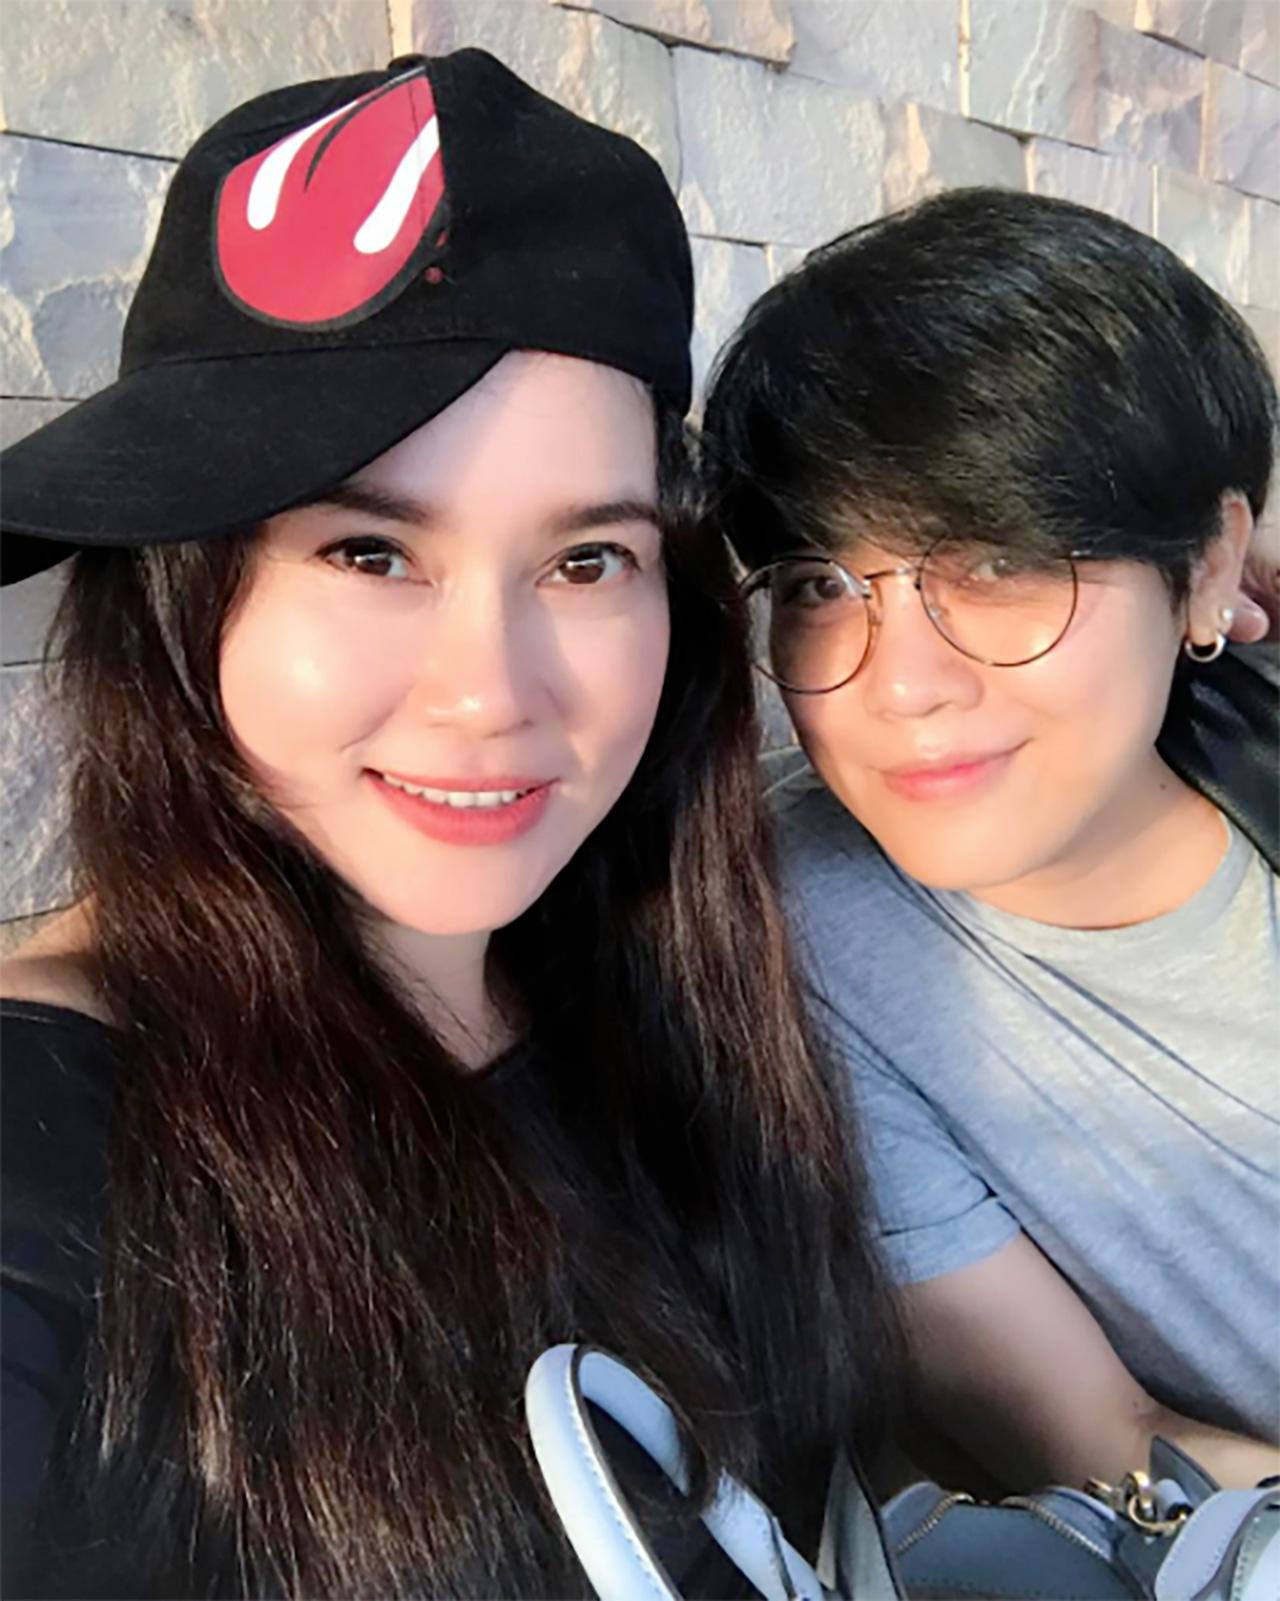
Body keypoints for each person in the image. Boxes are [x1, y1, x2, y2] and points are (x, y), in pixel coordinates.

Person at [0, 52, 896, 1597]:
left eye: (586, 560)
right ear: (183, 595)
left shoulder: (664, 1005)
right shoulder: (48, 1137)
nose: (492, 693)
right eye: (369, 551)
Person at [700, 188, 1280, 1494]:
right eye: (819, 585)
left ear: (1209, 566)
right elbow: (1100, 1437)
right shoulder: (799, 936)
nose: (900, 687)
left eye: (1002, 563)